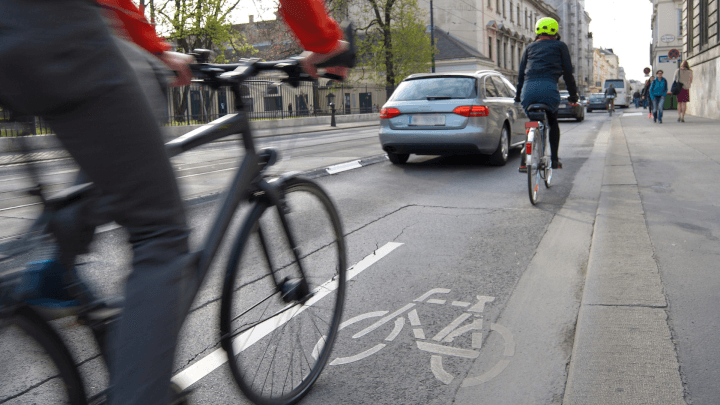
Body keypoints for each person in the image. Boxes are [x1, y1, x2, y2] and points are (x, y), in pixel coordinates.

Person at [0, 0, 349, 404]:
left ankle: (58, 265)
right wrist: (325, 41)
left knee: (138, 102)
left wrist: (156, 49)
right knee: (161, 233)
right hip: (50, 28)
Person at [515, 17, 578, 172]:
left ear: (537, 31)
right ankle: (555, 160)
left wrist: (518, 97)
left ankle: (525, 157)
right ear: (555, 31)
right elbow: (568, 74)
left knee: (531, 122)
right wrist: (573, 96)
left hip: (528, 91)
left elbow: (521, 75)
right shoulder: (560, 46)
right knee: (552, 121)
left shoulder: (529, 47)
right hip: (549, 90)